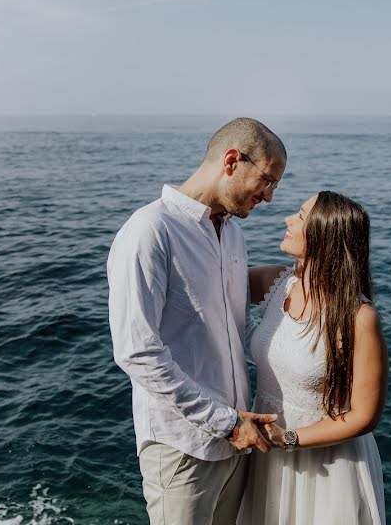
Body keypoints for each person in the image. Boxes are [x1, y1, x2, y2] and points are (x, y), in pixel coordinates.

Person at [107, 117, 287, 525]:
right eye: (268, 180)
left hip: (238, 441)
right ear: (231, 161)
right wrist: (225, 422)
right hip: (184, 448)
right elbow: (136, 351)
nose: (271, 197)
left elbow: (229, 317)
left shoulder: (232, 234)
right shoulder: (151, 230)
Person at [239, 191, 388, 525]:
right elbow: (214, 281)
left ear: (326, 236)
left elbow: (364, 416)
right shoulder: (274, 284)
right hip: (266, 455)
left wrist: (288, 439)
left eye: (301, 216)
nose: (288, 220)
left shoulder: (358, 317)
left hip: (325, 464)